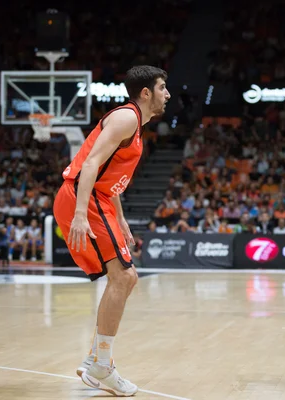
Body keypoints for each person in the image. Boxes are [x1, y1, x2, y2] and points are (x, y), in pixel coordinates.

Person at [53, 65, 171, 396]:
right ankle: (102, 365)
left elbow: (109, 180)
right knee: (125, 277)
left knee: (121, 277)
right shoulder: (126, 118)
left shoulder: (135, 126)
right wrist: (79, 213)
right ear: (146, 92)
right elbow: (90, 163)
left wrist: (120, 220)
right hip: (83, 198)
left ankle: (95, 361)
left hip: (97, 199)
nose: (168, 94)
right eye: (163, 88)